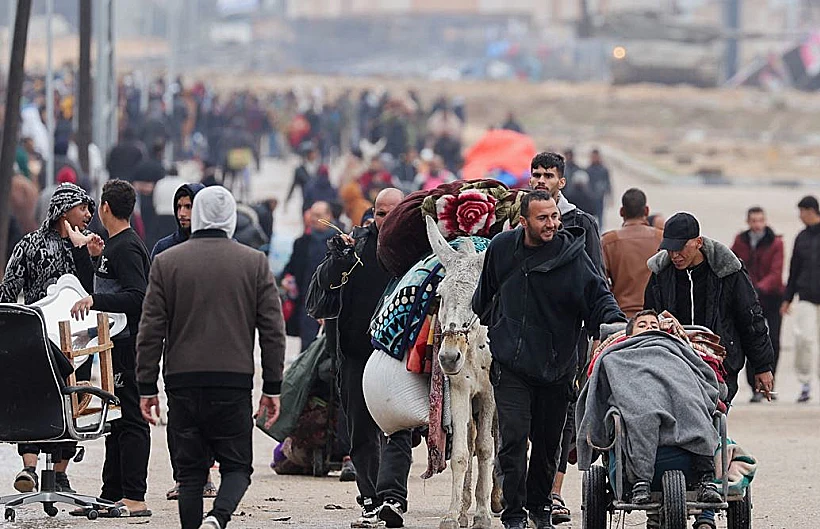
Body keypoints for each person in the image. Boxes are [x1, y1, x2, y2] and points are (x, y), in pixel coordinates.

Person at [471, 190, 625, 529]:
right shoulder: (501, 248)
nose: (552, 223)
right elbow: (483, 297)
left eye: (555, 216)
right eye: (543, 218)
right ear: (523, 221)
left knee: (546, 446)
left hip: (557, 368)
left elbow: (599, 296)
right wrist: (499, 328)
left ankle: (539, 509)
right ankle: (514, 514)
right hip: (511, 366)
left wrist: (613, 322)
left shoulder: (573, 256)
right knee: (512, 440)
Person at [137, 186, 286, 529]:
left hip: (182, 383)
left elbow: (150, 330)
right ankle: (218, 518)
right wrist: (272, 387)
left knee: (190, 474)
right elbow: (273, 331)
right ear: (232, 218)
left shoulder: (166, 262)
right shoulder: (254, 263)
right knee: (237, 468)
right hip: (232, 383)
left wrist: (147, 386)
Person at [312, 188, 412, 528]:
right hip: (355, 353)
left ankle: (392, 498)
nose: (387, 221)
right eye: (381, 214)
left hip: (398, 357)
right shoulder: (355, 246)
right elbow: (324, 288)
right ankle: (370, 499)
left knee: (398, 427)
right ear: (373, 214)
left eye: (394, 213)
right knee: (361, 431)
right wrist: (337, 259)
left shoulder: (416, 250)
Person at [0, 182, 103, 494]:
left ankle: (59, 472)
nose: (88, 214)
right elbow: (7, 292)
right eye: (82, 207)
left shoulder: (85, 245)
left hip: (78, 339)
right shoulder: (29, 245)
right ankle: (30, 469)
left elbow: (93, 294)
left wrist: (90, 255)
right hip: (37, 341)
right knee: (34, 397)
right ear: (63, 210)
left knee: (71, 400)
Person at [69, 180, 152, 518]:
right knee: (114, 418)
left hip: (128, 346)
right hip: (108, 345)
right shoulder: (111, 246)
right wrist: (85, 253)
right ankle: (110, 494)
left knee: (130, 417)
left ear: (105, 207)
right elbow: (96, 285)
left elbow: (137, 296)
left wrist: (96, 300)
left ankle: (135, 496)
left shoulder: (128, 247)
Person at [528, 152, 603, 524]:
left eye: (548, 175)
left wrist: (594, 335)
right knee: (516, 417)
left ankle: (553, 493)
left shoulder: (580, 223)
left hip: (566, 336)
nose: (541, 180)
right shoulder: (514, 221)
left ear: (562, 181)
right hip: (522, 335)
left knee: (560, 416)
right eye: (536, 174)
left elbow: (595, 282)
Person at [644, 212, 775, 403]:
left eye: (680, 248)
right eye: (669, 249)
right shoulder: (660, 274)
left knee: (713, 422)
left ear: (698, 242)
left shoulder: (729, 271)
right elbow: (650, 318)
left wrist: (762, 366)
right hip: (673, 365)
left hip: (721, 366)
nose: (674, 255)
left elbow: (751, 319)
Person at [731, 206, 784, 403]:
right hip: (748, 297)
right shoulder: (741, 240)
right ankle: (755, 387)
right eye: (753, 221)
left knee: (774, 341)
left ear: (765, 221)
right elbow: (733, 263)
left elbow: (776, 271)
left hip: (771, 297)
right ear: (748, 222)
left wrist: (758, 288)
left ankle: (770, 382)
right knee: (749, 339)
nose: (757, 225)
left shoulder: (776, 242)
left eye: (760, 220)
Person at [282, 201, 338, 350]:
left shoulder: (340, 241)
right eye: (313, 215)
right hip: (306, 305)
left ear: (329, 216)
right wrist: (286, 279)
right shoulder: (302, 242)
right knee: (307, 349)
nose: (314, 219)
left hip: (332, 307)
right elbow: (291, 268)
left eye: (319, 215)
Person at [781, 195, 820, 403]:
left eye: (801, 212)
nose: (800, 216)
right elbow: (794, 269)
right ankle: (805, 383)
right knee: (803, 339)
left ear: (810, 211)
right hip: (806, 295)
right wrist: (787, 298)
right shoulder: (802, 237)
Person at [601, 188, 664, 318]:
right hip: (657, 316)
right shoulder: (662, 239)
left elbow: (601, 282)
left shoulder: (608, 242)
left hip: (621, 315)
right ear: (646, 210)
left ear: (621, 212)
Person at [151, 183, 206, 260]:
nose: (182, 213)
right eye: (179, 207)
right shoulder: (164, 247)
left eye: (188, 207)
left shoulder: (212, 248)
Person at [586, 149, 612, 226]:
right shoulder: (588, 169)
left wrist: (609, 194)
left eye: (596, 156)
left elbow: (607, 182)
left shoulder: (603, 169)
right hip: (590, 197)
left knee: (600, 216)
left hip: (600, 197)